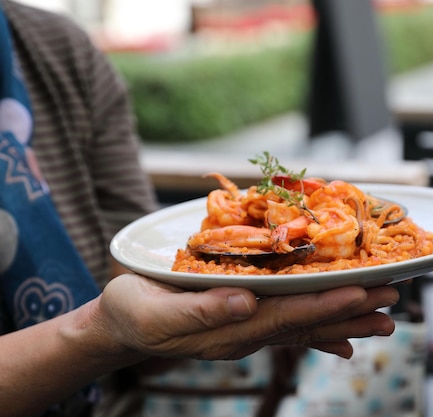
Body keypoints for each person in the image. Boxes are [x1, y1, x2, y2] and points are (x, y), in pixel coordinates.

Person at [0, 1, 399, 417]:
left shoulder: (62, 49)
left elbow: (136, 261)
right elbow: (120, 316)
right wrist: (99, 336)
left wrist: (234, 296)